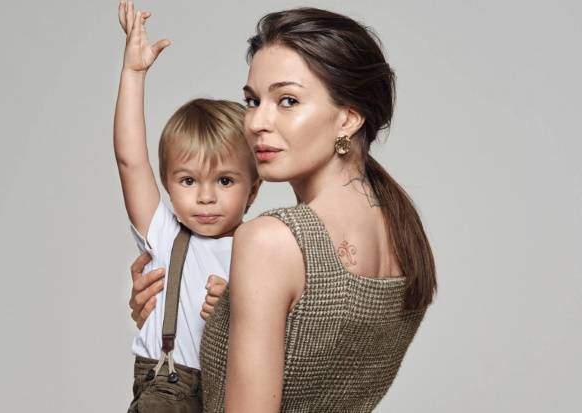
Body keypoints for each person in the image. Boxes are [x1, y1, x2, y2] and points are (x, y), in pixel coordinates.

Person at [130, 6, 437, 413]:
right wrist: (181, 309)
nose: (257, 121)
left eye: (287, 100)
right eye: (253, 100)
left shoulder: (271, 241)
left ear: (348, 119)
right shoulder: (403, 230)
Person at [114, 2, 260, 411]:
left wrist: (237, 310)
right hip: (170, 386)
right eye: (188, 181)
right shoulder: (164, 233)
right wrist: (133, 74)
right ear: (168, 186)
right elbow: (130, 160)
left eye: (225, 181)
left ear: (253, 189)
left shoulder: (261, 247)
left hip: (236, 390)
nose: (205, 196)